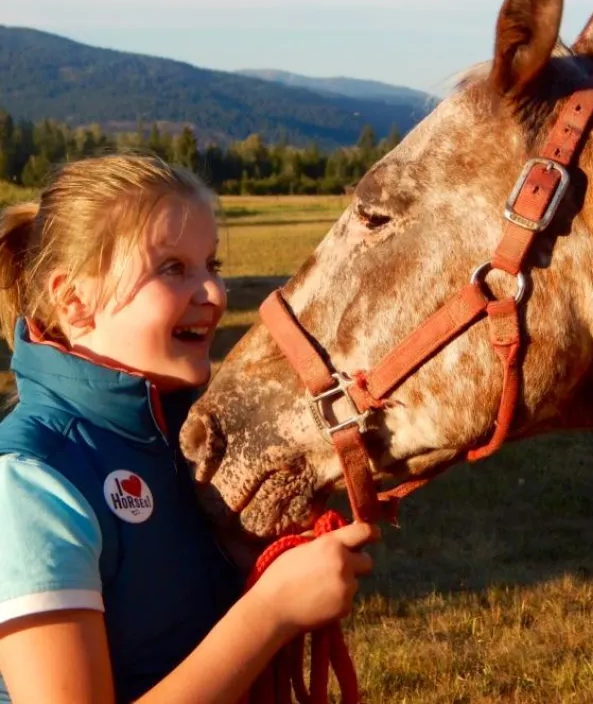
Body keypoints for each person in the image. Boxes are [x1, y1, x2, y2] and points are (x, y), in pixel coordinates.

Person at [0, 152, 377, 704]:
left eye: (212, 265)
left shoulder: (177, 443)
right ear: (75, 301)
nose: (215, 294)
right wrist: (271, 609)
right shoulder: (31, 482)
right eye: (173, 268)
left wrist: (243, 561)